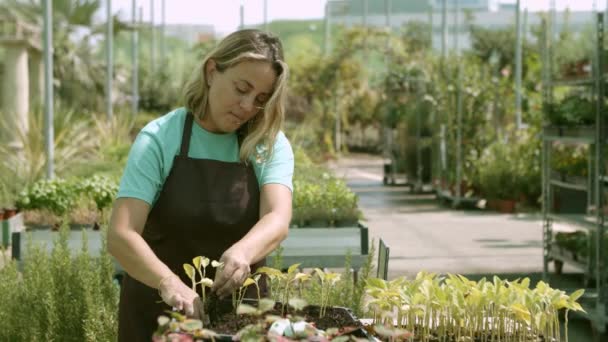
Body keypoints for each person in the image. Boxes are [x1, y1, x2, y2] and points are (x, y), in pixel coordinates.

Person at [107, 29, 294, 341]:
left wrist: (244, 251)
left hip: (241, 318)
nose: (248, 106)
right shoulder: (160, 138)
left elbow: (277, 217)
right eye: (241, 88)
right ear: (211, 72)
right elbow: (121, 234)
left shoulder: (267, 143)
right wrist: (168, 281)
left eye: (260, 99)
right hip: (159, 316)